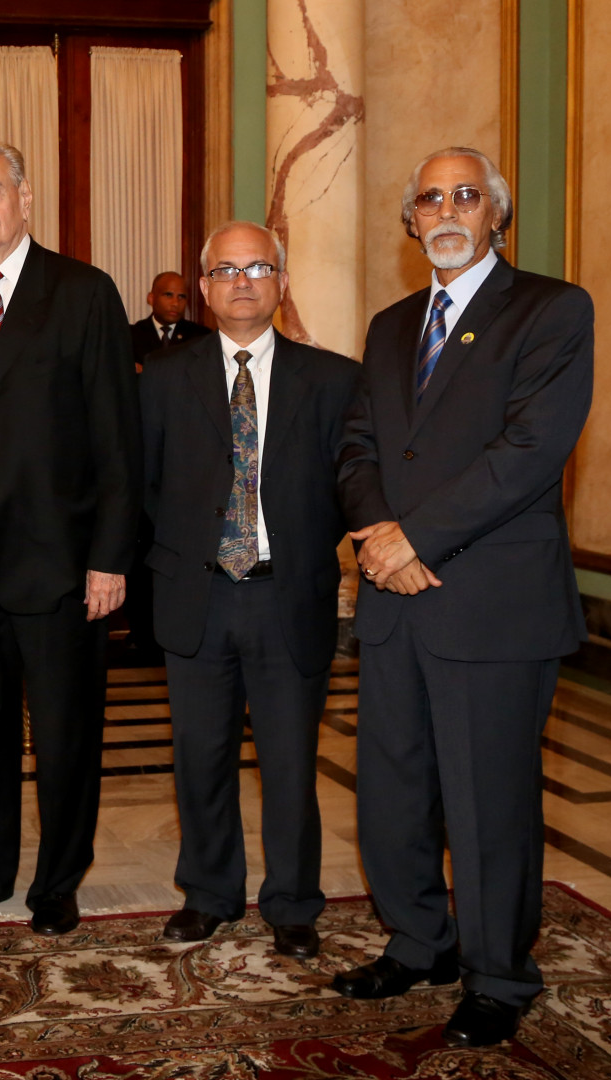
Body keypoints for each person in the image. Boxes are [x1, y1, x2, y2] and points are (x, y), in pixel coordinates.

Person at [333, 147, 593, 1047]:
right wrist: (379, 536)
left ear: (496, 215)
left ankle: (498, 974)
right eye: (430, 198)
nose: (447, 210)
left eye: (467, 196)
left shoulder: (552, 310)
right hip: (395, 596)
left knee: (489, 802)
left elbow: (531, 450)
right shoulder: (390, 326)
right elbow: (358, 448)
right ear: (411, 221)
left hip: (492, 603)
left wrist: (416, 537)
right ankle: (419, 942)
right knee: (393, 788)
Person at [0, 143, 139, 936]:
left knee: (64, 734)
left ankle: (57, 882)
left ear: (25, 197)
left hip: (59, 563)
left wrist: (110, 556)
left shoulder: (83, 292)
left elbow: (118, 435)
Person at [140, 221, 359, 960]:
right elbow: (144, 484)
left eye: (258, 268)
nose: (242, 282)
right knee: (200, 756)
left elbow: (351, 485)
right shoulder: (162, 378)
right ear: (204, 288)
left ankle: (293, 902)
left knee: (290, 761)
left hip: (286, 594)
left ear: (282, 282)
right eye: (226, 270)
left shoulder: (332, 380)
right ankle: (208, 893)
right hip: (196, 595)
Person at [129, 271, 210, 370]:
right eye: (168, 295)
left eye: (181, 297)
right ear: (151, 299)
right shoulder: (132, 336)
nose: (175, 303)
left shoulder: (201, 337)